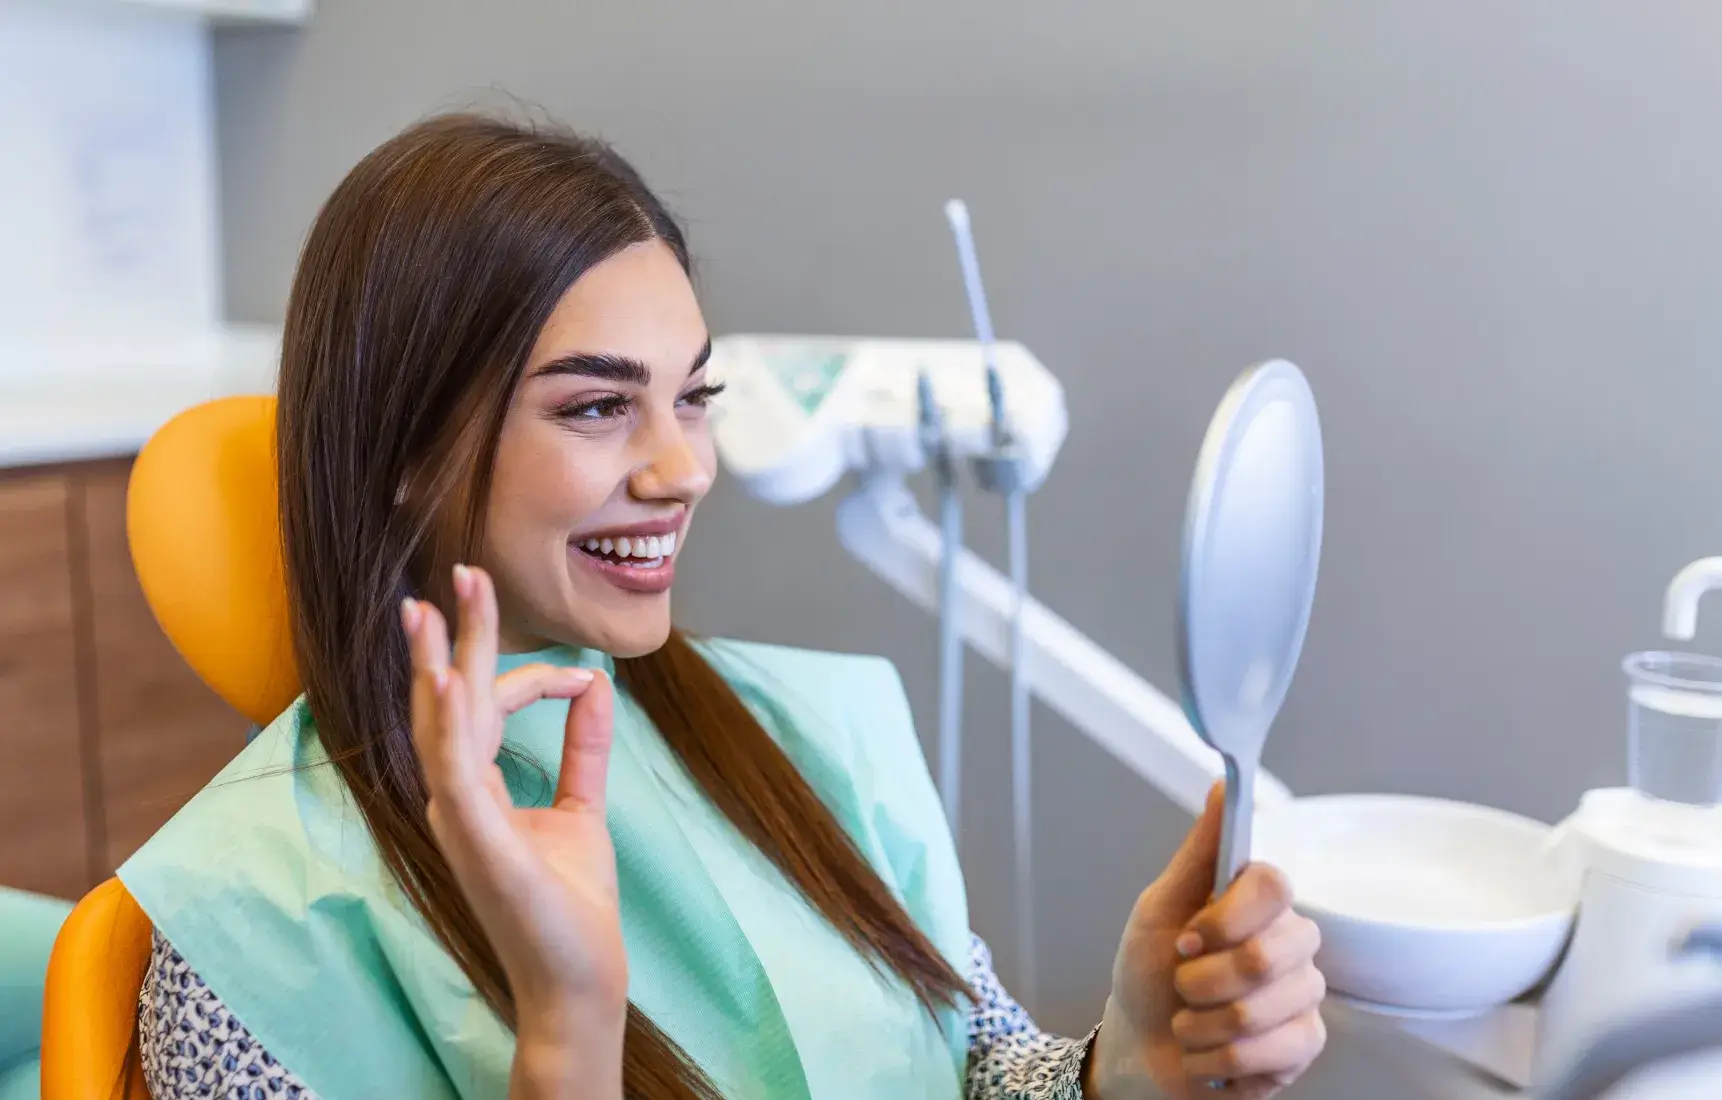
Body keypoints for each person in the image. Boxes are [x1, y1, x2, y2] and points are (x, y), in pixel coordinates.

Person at [120, 113, 1326, 1100]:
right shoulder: (249, 938)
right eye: (597, 406)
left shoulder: (806, 733)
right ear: (403, 442)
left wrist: (1122, 1065)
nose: (685, 467)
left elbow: (975, 1068)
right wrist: (566, 1034)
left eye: (693, 397)